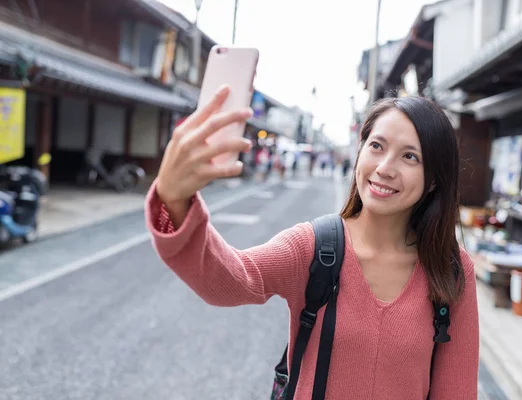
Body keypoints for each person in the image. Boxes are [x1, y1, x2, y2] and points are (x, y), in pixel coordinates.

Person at [145, 86, 479, 399]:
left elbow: (456, 392)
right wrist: (174, 200)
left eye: (410, 157)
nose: (385, 168)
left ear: (434, 179)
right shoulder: (314, 248)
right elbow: (228, 279)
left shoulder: (451, 269)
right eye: (376, 146)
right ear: (359, 150)